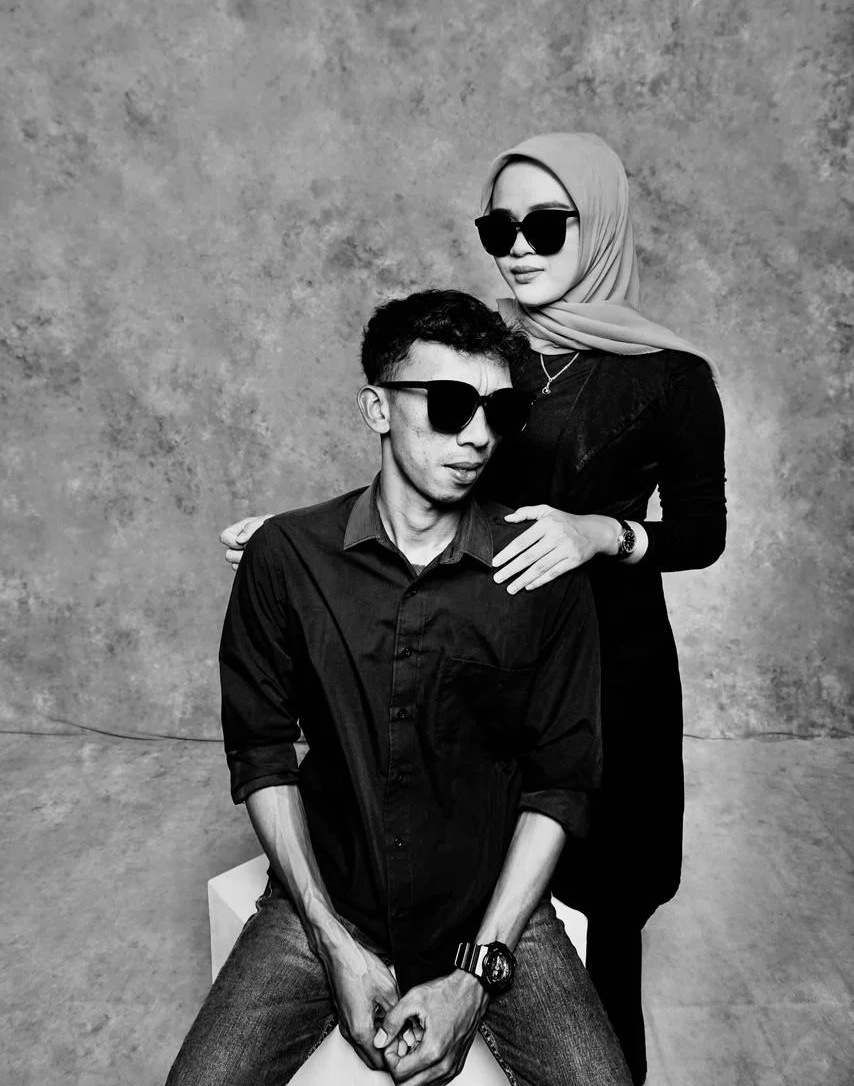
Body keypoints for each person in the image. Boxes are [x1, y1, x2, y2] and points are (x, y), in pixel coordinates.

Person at [221, 134, 727, 1085]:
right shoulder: (493, 351)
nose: (519, 248)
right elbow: (425, 461)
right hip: (480, 648)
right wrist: (306, 539)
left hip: (606, 659)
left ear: (600, 225)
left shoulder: (670, 376)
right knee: (464, 852)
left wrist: (601, 533)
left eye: (547, 225)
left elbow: (702, 532)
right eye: (500, 228)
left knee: (606, 920)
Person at [171, 289, 631, 1086]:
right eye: (450, 406)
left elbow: (561, 782)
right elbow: (262, 751)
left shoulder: (544, 573)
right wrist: (331, 941)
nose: (479, 434)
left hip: (494, 913)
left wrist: (478, 973)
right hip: (327, 899)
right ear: (376, 409)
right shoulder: (288, 557)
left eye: (499, 411)